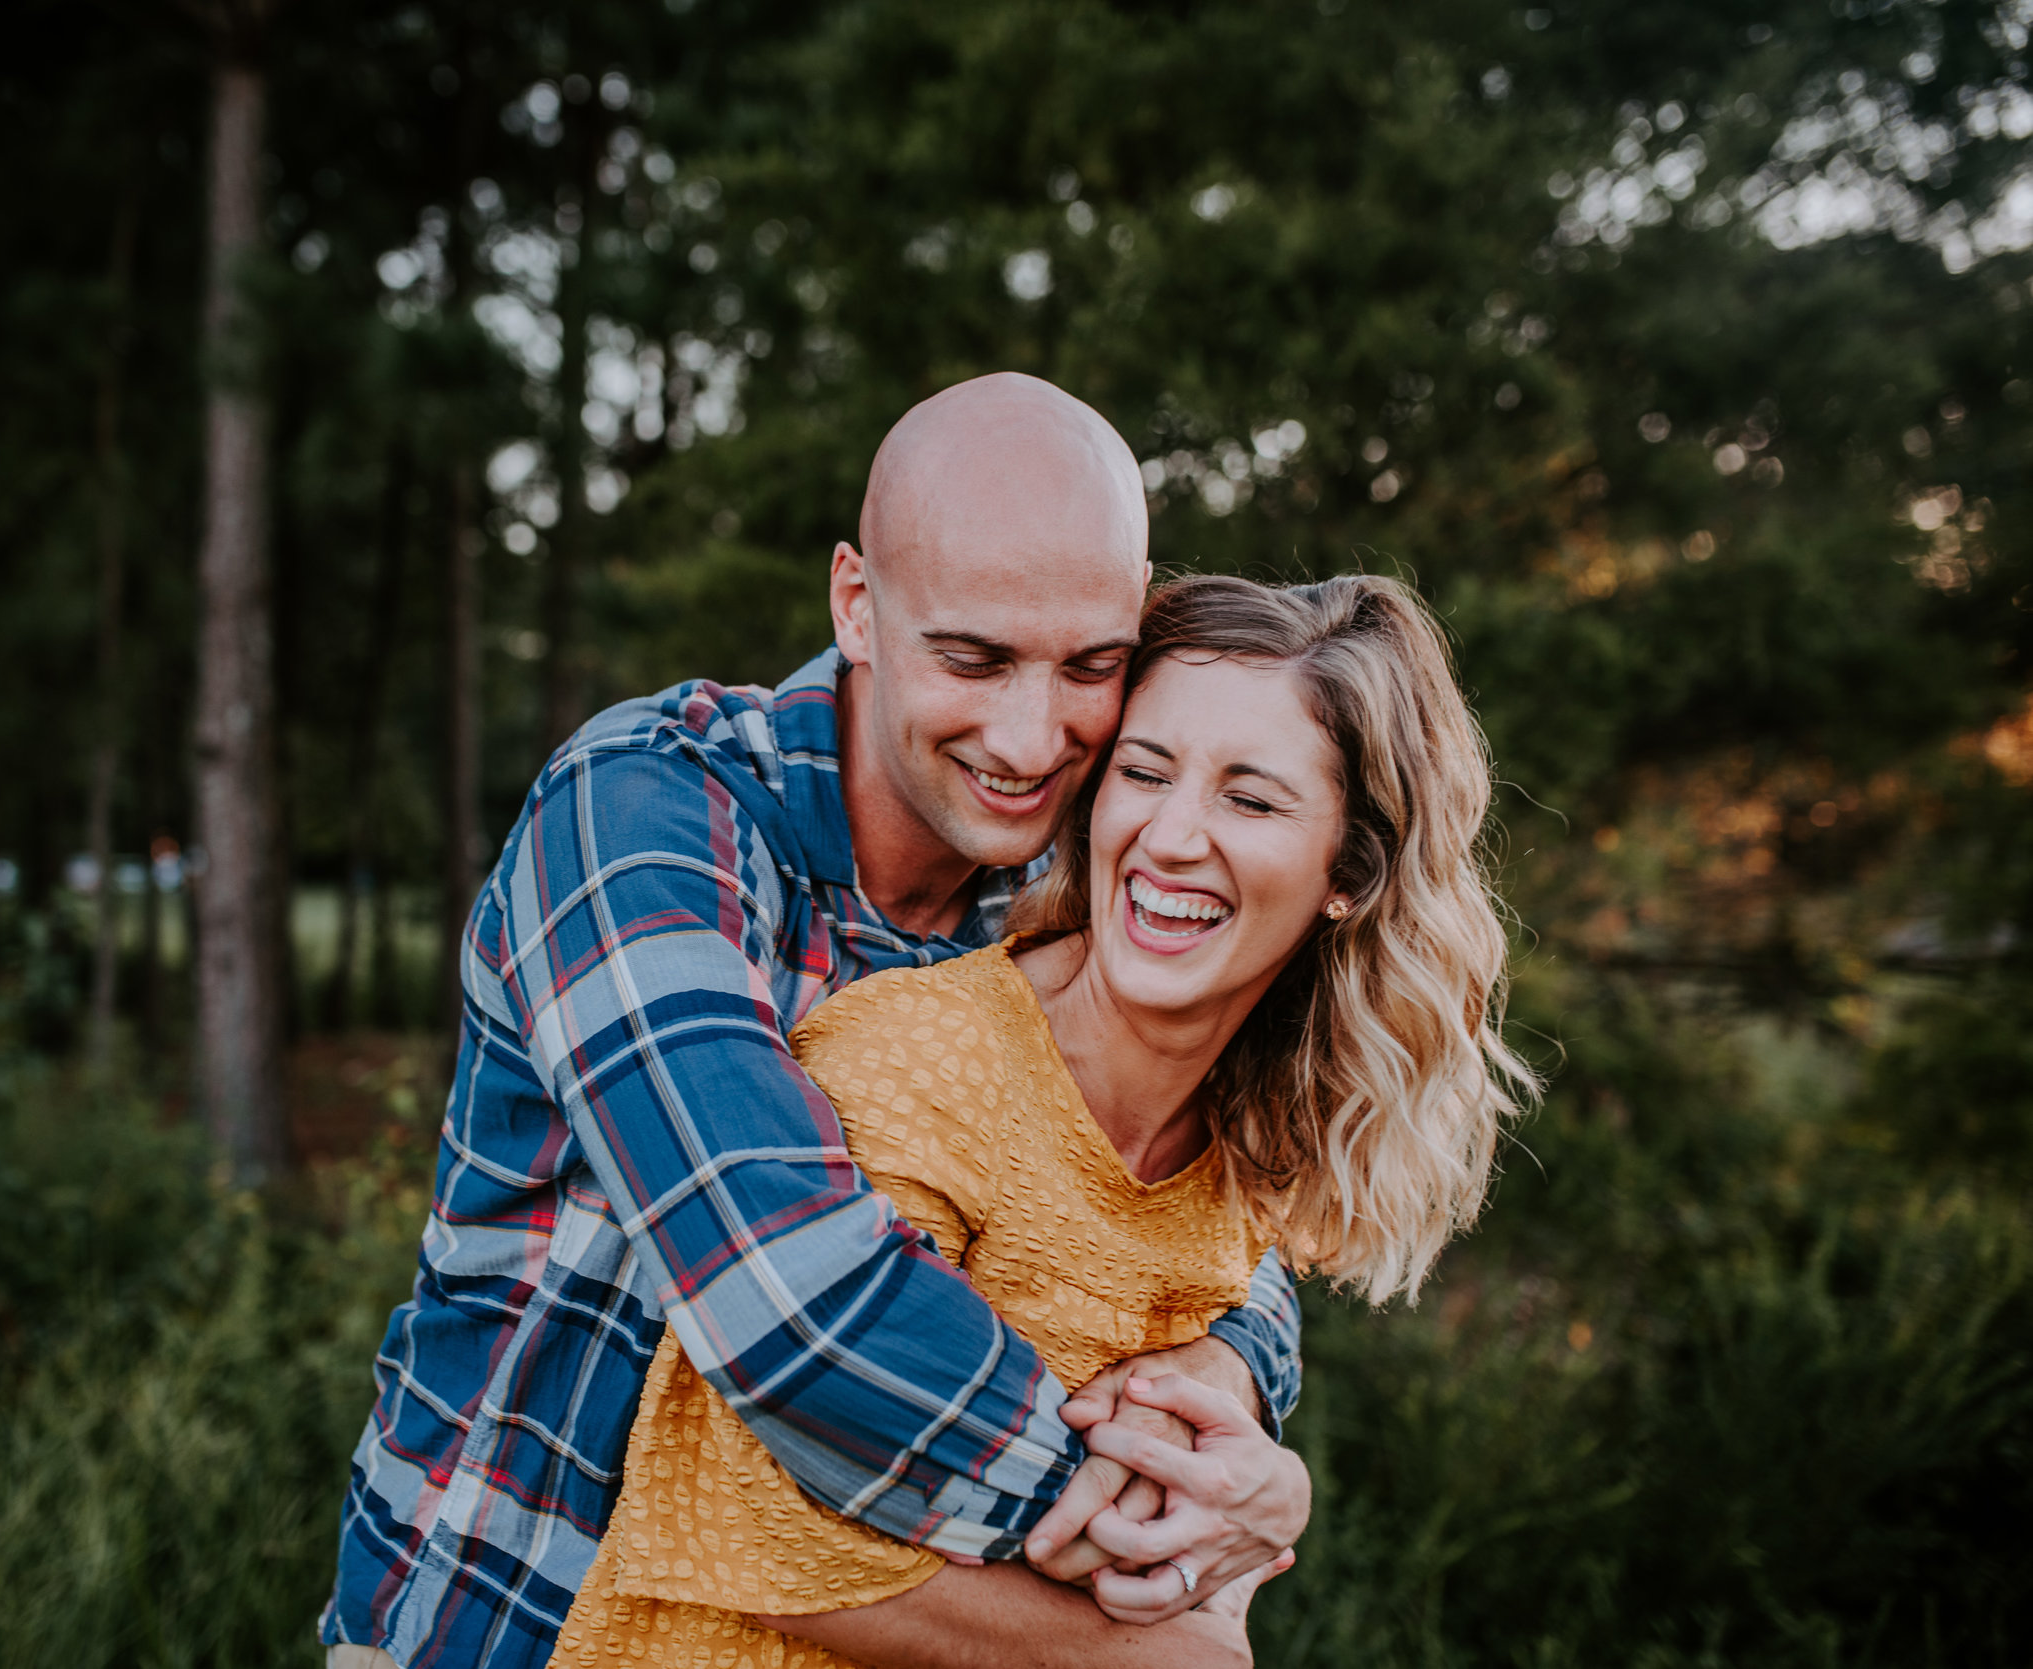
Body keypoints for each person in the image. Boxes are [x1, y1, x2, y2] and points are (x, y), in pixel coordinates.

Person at [323, 374, 1311, 1669]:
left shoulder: (1068, 874)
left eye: (1091, 665)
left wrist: (1234, 1381)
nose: (1033, 739)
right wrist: (1152, 1532)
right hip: (508, 1608)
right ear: (856, 604)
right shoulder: (643, 817)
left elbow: (1200, 1195)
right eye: (973, 659)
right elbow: (790, 1298)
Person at [541, 570, 1538, 1669]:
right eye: (1144, 773)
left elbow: (1200, 1508)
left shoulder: (1242, 1148)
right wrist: (1159, 1647)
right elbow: (724, 1519)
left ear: (1348, 870)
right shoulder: (924, 1062)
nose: (1171, 835)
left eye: (1250, 801)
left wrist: (1255, 1482)